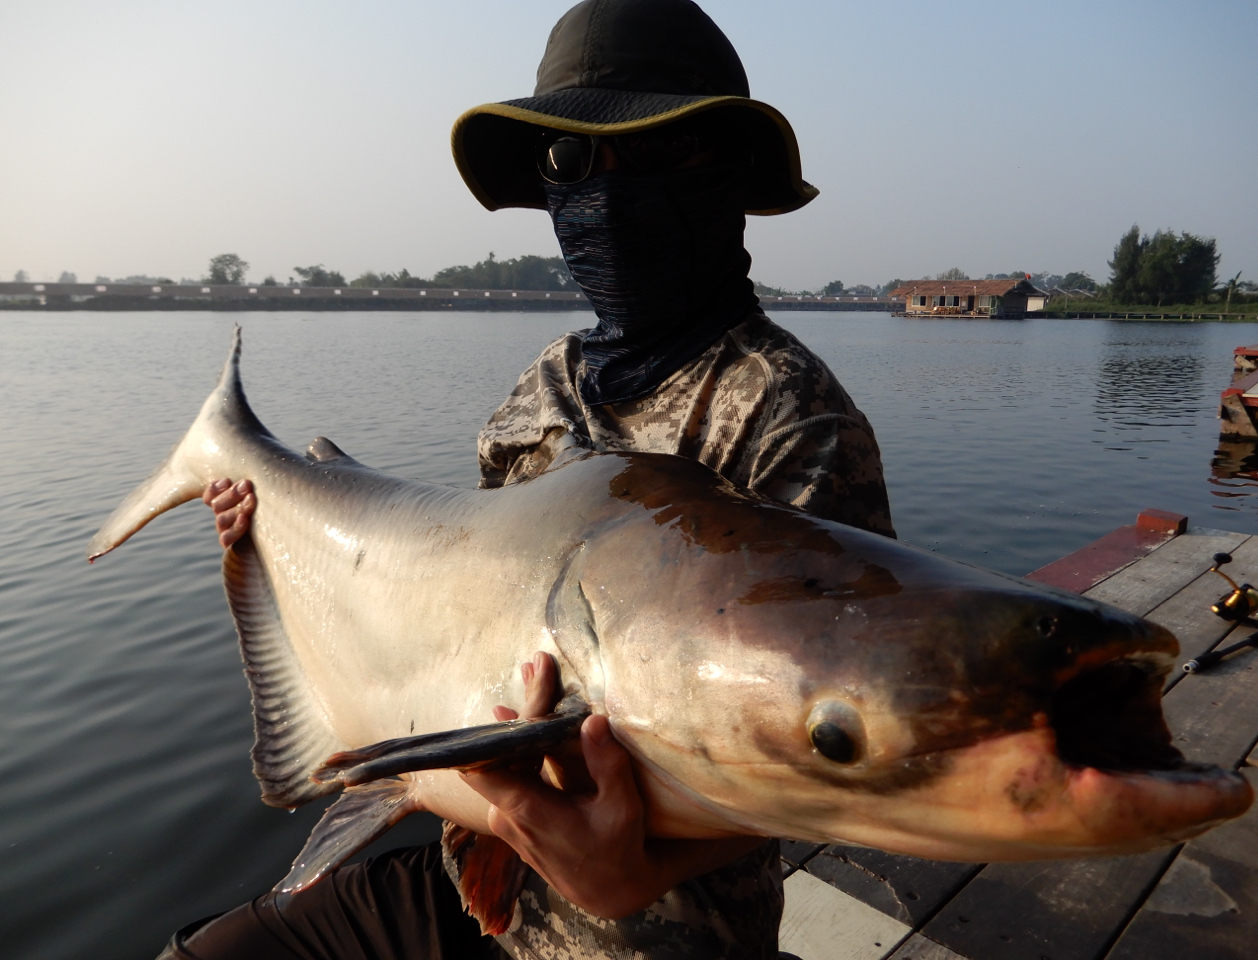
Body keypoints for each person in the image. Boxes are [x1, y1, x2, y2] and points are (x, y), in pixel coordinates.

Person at [174, 1, 893, 957]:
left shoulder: (791, 411)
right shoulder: (543, 386)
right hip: (485, 875)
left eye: (654, 153)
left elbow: (825, 743)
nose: (606, 193)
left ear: (722, 172)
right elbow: (465, 623)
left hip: (659, 929)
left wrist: (636, 871)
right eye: (570, 165)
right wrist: (270, 548)